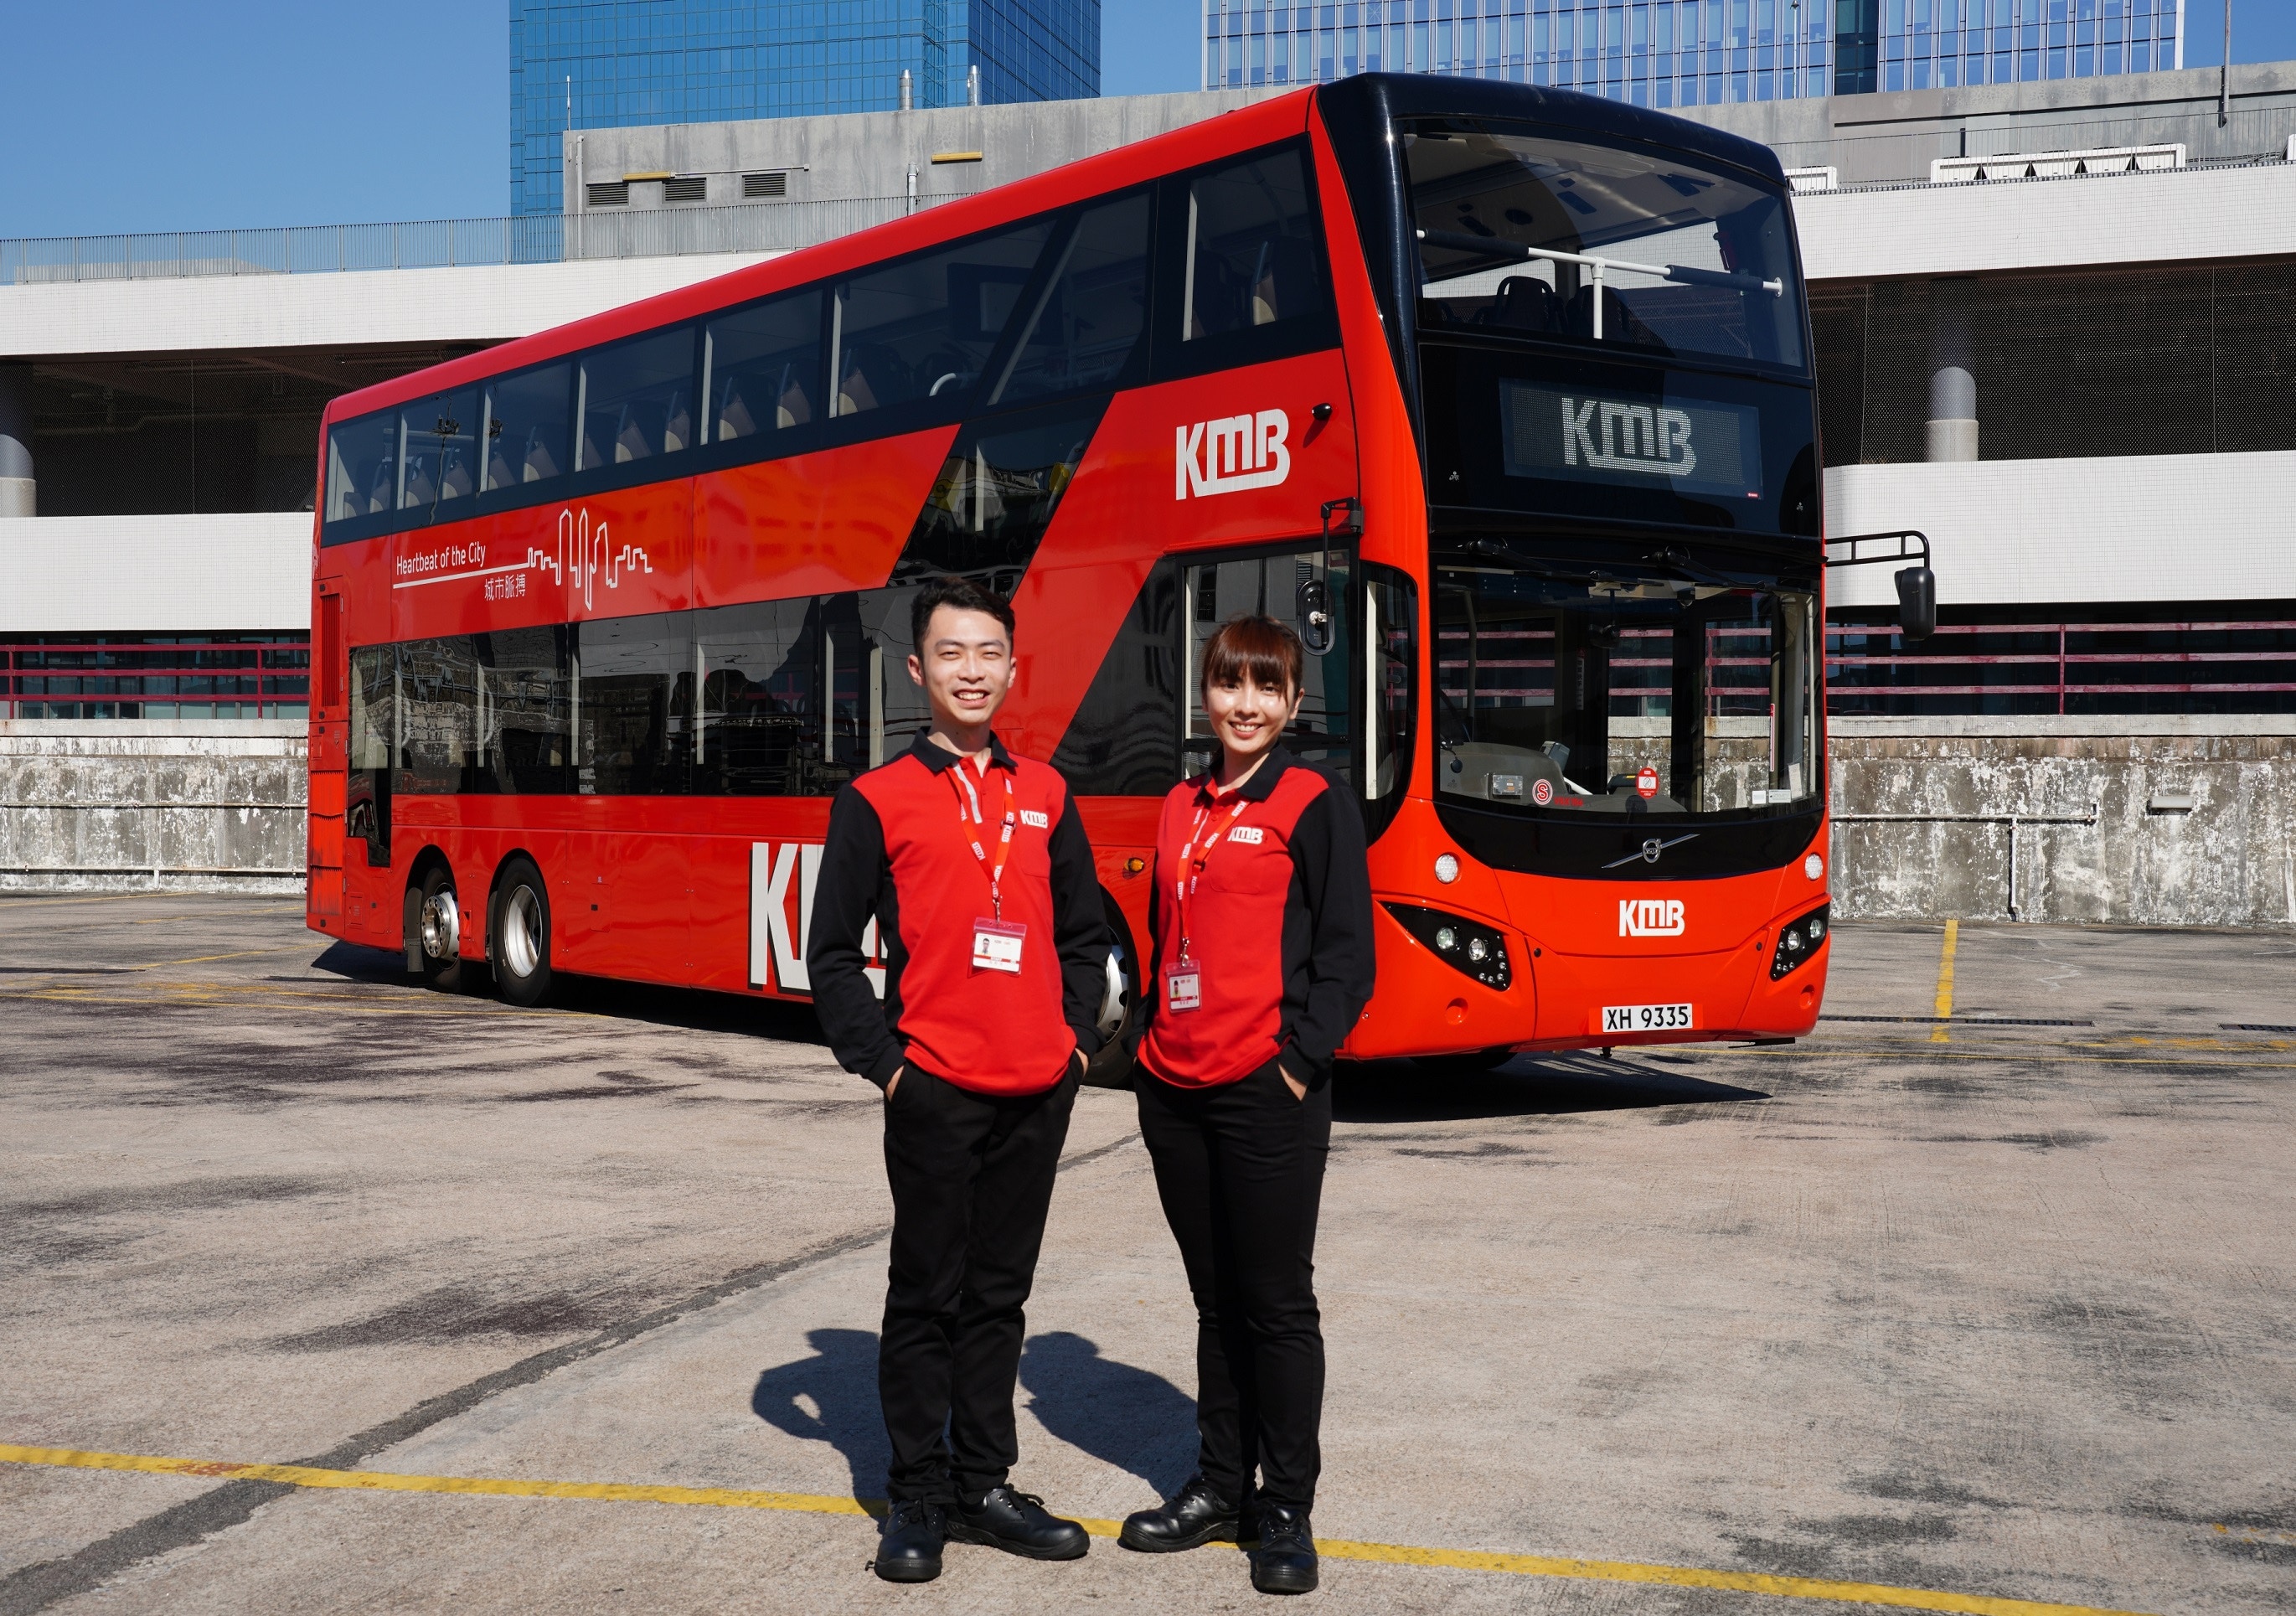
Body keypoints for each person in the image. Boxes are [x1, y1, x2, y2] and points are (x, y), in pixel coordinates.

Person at [807, 576, 1111, 1585]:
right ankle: (918, 1494)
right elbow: (832, 956)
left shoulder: (1048, 795)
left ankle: (983, 1483)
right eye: (951, 654)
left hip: (1036, 1090)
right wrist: (889, 1069)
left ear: (1011, 667)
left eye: (988, 654)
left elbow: (1083, 934)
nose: (971, 671)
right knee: (925, 1296)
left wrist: (1073, 1049)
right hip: (934, 1089)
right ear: (916, 670)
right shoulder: (875, 799)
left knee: (998, 1297)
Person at [1118, 613, 1375, 1596]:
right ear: (1206, 692)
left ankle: (1285, 1508)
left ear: (1293, 703)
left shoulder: (1312, 801)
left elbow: (1347, 957)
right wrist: (1147, 1045)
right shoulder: (1179, 804)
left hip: (1265, 1093)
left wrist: (1296, 1064)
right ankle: (1218, 1486)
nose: (1246, 704)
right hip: (1173, 1088)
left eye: (1266, 688)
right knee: (1213, 1300)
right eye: (1231, 684)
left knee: (1274, 1304)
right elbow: (1164, 935)